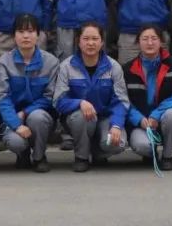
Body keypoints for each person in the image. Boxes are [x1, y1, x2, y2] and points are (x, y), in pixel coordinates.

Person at [53, 22, 130, 172]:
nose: (90, 43)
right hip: (79, 119)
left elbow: (121, 102)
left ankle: (97, 151)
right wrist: (80, 103)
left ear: (102, 42)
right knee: (81, 117)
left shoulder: (113, 67)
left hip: (105, 118)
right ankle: (81, 157)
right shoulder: (66, 66)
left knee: (117, 143)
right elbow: (58, 101)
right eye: (86, 38)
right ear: (78, 42)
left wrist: (116, 125)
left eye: (95, 39)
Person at [0, 13, 59, 173]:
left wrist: (25, 112)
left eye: (30, 31)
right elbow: (2, 98)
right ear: (14, 36)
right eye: (21, 31)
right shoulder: (3, 63)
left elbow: (50, 97)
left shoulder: (51, 62)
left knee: (37, 117)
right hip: (12, 117)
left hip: (40, 116)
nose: (26, 36)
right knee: (15, 142)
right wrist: (16, 124)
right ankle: (22, 153)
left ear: (38, 35)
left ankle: (39, 157)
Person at [123, 25, 172, 171]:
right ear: (138, 42)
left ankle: (168, 155)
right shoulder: (127, 69)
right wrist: (139, 119)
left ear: (161, 41)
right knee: (142, 145)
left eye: (154, 38)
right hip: (141, 122)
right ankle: (150, 153)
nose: (150, 43)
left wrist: (156, 115)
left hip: (163, 117)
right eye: (145, 39)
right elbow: (124, 101)